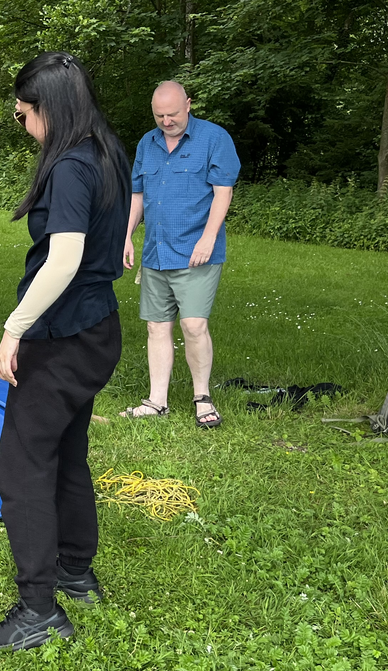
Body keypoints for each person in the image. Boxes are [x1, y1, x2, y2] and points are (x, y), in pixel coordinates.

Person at [0, 52, 129, 651]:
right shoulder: (106, 147)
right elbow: (109, 228)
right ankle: (75, 569)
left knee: (20, 464)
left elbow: (64, 258)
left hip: (62, 336)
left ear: (48, 109)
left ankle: (39, 607)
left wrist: (15, 328)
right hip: (97, 331)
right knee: (66, 450)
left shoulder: (70, 165)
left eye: (23, 117)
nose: (23, 127)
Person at [120, 81, 240, 428]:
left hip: (196, 253)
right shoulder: (148, 143)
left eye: (172, 113)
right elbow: (137, 195)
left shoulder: (214, 139)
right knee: (157, 328)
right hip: (156, 251)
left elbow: (222, 193)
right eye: (159, 115)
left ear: (188, 105)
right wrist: (127, 236)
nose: (166, 121)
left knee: (193, 324)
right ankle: (157, 402)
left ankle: (202, 398)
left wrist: (208, 238)